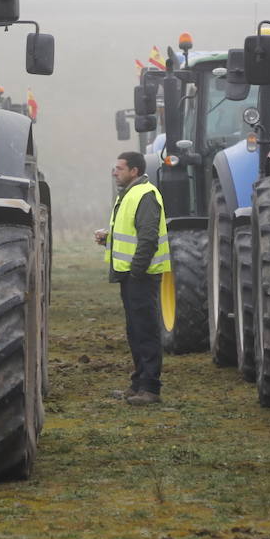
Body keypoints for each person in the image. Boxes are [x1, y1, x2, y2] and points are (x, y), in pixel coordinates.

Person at [95, 151, 170, 405]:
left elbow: (148, 238)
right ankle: (138, 384)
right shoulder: (128, 195)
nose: (115, 172)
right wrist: (108, 238)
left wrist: (137, 271)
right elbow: (134, 234)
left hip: (141, 275)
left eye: (119, 168)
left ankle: (150, 389)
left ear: (134, 171)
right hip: (129, 275)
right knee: (134, 330)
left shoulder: (145, 195)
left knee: (146, 331)